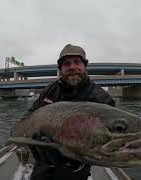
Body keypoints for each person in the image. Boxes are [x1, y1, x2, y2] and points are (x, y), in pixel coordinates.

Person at [25, 44, 115, 180]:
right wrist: (29, 135)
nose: (72, 67)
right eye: (67, 64)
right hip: (42, 166)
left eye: (77, 62)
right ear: (61, 69)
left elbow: (109, 142)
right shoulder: (49, 90)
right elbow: (31, 114)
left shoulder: (102, 99)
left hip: (75, 172)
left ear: (85, 66)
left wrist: (76, 156)